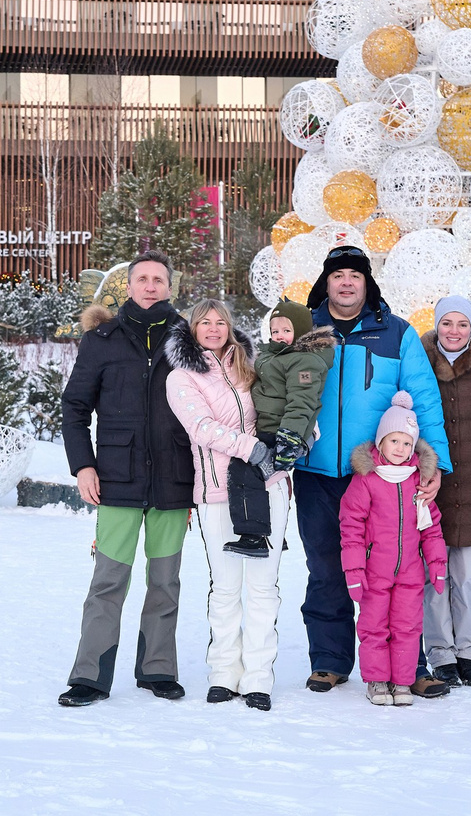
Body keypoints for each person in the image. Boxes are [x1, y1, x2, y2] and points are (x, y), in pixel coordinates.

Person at [291, 245, 449, 695]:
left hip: (384, 476)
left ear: (367, 282)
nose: (346, 283)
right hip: (316, 471)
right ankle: (329, 660)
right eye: (337, 275)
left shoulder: (395, 333)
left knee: (397, 570)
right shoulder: (307, 330)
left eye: (354, 276)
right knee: (325, 565)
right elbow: (276, 388)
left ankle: (411, 668)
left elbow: (424, 399)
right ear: (326, 283)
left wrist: (433, 463)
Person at [58, 252, 194, 706]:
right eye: (143, 279)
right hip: (116, 480)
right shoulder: (102, 340)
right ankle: (89, 677)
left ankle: (158, 670)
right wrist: (84, 465)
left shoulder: (190, 339)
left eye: (159, 279)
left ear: (170, 287)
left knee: (165, 582)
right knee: (108, 582)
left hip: (174, 480)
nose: (151, 286)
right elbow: (75, 408)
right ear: (129, 287)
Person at [166, 300, 284, 712]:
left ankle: (257, 679)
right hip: (217, 493)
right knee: (227, 586)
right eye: (205, 323)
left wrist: (299, 434)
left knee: (263, 586)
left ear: (231, 328)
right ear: (193, 329)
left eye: (221, 322)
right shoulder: (182, 377)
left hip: (268, 488)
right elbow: (200, 427)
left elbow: (281, 407)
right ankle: (223, 675)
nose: (213, 329)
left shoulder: (249, 369)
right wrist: (251, 446)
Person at [339, 392, 450, 707]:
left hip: (410, 572)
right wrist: (355, 570)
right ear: (380, 443)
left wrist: (438, 564)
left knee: (407, 626)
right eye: (394, 441)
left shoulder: (419, 480)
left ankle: (402, 682)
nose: (400, 449)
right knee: (374, 626)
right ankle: (376, 681)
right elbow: (351, 527)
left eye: (407, 443)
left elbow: (431, 527)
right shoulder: (366, 480)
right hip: (375, 570)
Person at [425, 295, 471, 692]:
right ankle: (440, 654)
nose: (454, 331)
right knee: (434, 575)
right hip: (428, 486)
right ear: (437, 324)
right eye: (447, 323)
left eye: (462, 324)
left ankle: (467, 654)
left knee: (470, 575)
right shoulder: (419, 363)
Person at [247, 299, 331, 559]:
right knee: (260, 479)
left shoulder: (304, 361)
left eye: (286, 330)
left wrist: (290, 437)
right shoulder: (274, 356)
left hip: (281, 431)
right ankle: (268, 532)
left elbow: (302, 400)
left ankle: (260, 534)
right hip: (267, 427)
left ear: (302, 331)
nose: (279, 336)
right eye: (275, 331)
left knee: (257, 477)